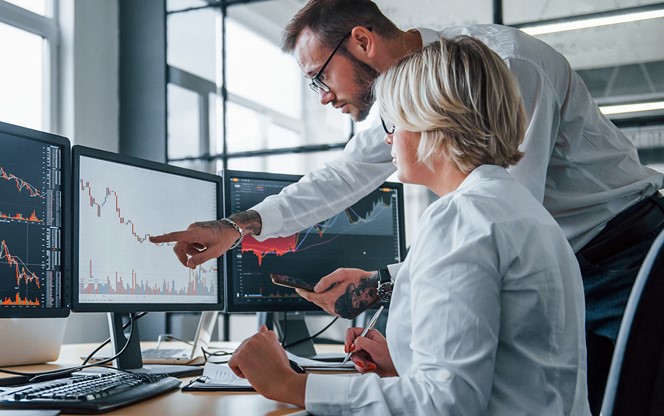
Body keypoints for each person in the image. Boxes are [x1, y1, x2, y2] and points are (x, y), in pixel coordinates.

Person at [150, 0, 664, 411]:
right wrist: (238, 226)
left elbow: (490, 236)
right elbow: (348, 173)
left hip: (623, 252)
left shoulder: (499, 71)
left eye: (318, 78)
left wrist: (294, 384)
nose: (322, 97)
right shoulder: (426, 101)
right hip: (567, 257)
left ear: (362, 41)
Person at [227, 36, 591, 415]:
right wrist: (404, 367)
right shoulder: (524, 210)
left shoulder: (461, 218)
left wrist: (291, 384)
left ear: (431, 122)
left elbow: (444, 404)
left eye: (395, 122)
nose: (387, 139)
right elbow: (508, 374)